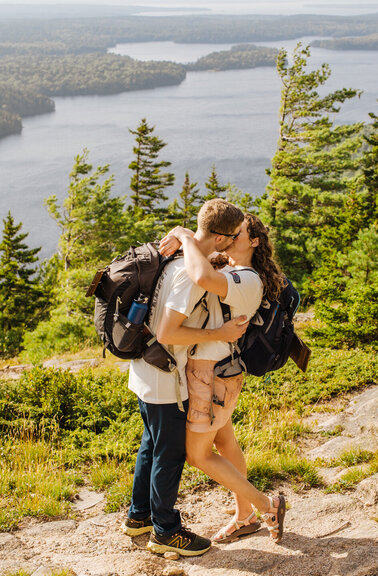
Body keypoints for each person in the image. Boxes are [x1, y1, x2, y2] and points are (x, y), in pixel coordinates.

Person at [122, 199, 248, 557]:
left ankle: (139, 516)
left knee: (151, 445)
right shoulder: (190, 274)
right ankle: (166, 531)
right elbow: (167, 332)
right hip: (164, 378)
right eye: (236, 235)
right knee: (169, 454)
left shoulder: (178, 257)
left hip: (145, 370)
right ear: (222, 238)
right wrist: (220, 334)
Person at [158, 213, 287, 544]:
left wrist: (186, 238)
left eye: (238, 233)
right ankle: (244, 517)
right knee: (225, 442)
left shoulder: (249, 278)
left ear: (253, 242)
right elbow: (203, 254)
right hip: (217, 371)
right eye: (227, 233)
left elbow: (201, 277)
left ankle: (266, 506)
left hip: (212, 375)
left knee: (198, 455)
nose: (230, 237)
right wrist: (183, 232)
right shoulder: (229, 265)